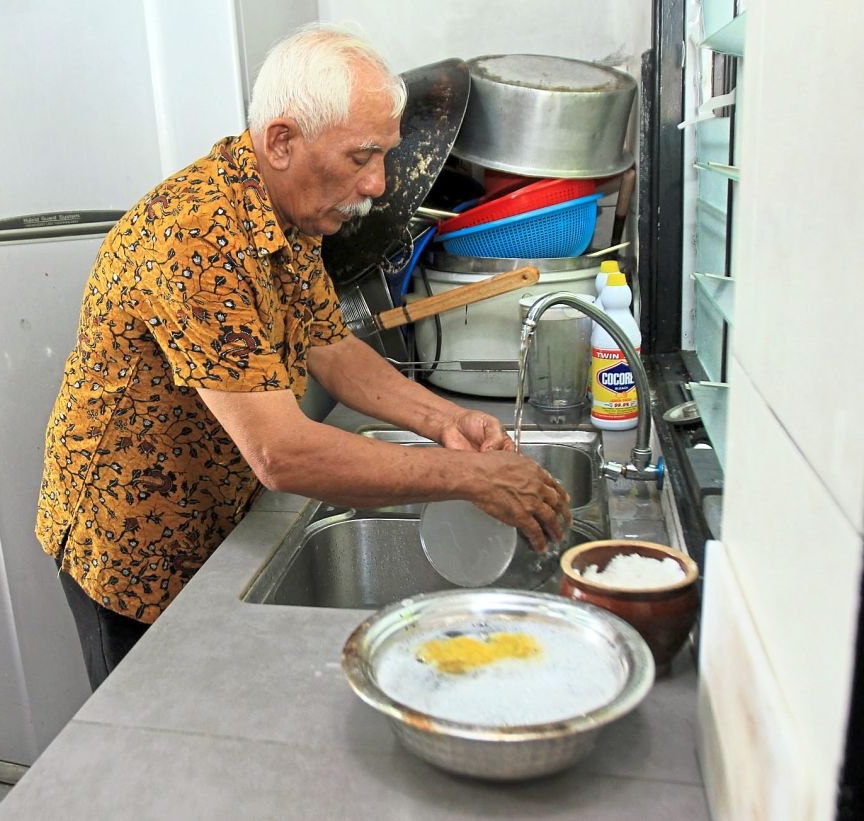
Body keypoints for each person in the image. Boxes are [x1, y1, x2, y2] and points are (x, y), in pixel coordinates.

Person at [36, 24, 571, 689]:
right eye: (361, 156)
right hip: (131, 540)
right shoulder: (192, 237)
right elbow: (280, 452)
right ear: (283, 140)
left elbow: (332, 346)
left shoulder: (293, 210)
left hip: (214, 517)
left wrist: (444, 423)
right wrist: (467, 478)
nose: (377, 184)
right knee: (159, 741)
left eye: (385, 156)